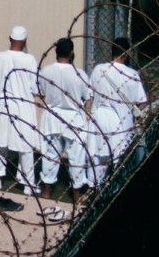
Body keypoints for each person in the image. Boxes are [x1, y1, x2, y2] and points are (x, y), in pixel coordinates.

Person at [88, 37, 147, 187]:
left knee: (98, 159)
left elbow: (91, 94)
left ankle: (94, 191)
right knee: (118, 161)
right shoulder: (132, 74)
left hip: (99, 118)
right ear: (126, 54)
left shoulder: (99, 69)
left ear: (111, 51)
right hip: (120, 122)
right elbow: (141, 102)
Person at [38, 38, 92, 201]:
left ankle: (47, 190)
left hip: (53, 116)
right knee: (76, 156)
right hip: (73, 118)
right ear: (72, 53)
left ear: (56, 53)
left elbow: (41, 92)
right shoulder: (79, 74)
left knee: (50, 155)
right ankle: (76, 192)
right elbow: (87, 97)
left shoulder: (46, 71)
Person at [0, 26, 40, 194]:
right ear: (25, 41)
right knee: (25, 146)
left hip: (2, 103)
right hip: (23, 105)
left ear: (9, 38)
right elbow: (34, 86)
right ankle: (28, 184)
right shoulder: (30, 60)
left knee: (0, 143)